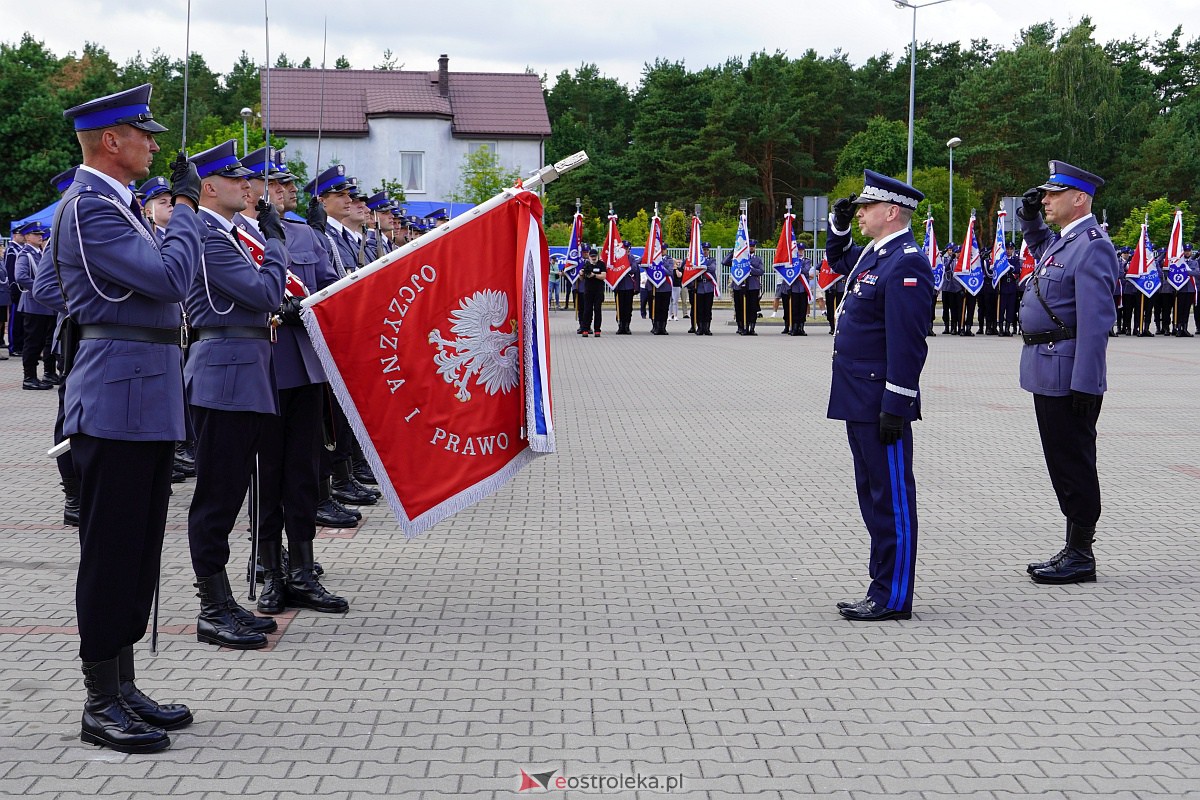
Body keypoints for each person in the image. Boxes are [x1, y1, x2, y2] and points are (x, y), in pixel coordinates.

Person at [33, 84, 206, 754]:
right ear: (112, 141)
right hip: (116, 398)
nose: (155, 147)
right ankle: (99, 702)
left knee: (136, 549)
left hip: (143, 394)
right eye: (145, 135)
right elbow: (170, 281)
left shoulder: (117, 206)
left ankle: (123, 684)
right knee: (111, 553)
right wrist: (186, 209)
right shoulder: (89, 207)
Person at [238, 146, 352, 615]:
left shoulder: (306, 234)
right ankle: (270, 569)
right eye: (275, 183)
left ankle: (303, 570)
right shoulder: (232, 234)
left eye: (288, 183)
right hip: (261, 369)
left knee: (303, 473)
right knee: (265, 477)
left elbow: (330, 291)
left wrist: (303, 308)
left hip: (303, 368)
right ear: (250, 188)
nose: (285, 190)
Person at [825, 170, 935, 621]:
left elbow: (908, 343)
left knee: (892, 501)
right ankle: (880, 586)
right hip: (858, 397)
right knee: (873, 497)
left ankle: (893, 597)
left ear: (891, 212)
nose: (860, 213)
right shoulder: (877, 254)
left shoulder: (906, 262)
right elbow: (838, 258)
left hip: (880, 402)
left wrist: (897, 403)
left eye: (866, 207)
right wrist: (838, 225)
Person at [1014, 160, 1119, 585]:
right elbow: (1040, 246)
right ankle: (1072, 548)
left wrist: (1086, 384)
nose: (1046, 200)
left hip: (1069, 375)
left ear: (1079, 199)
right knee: (1061, 462)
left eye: (1053, 195)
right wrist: (1028, 217)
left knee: (1073, 463)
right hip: (1048, 369)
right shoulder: (1066, 241)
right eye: (1044, 195)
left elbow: (1096, 322)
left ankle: (1081, 554)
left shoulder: (1092, 245)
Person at [13, 222, 58, 389]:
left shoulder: (40, 253)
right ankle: (29, 377)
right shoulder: (26, 254)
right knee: (33, 342)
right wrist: (41, 289)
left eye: (40, 234)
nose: (41, 236)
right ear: (27, 237)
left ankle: (49, 373)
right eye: (36, 234)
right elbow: (20, 276)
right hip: (34, 305)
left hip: (47, 305)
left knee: (49, 341)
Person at [725, 240, 765, 335]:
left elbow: (761, 271)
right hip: (739, 286)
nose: (751, 248)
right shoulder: (738, 258)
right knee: (740, 307)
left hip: (753, 286)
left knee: (752, 308)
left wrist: (749, 269)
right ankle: (742, 327)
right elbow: (725, 262)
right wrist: (734, 251)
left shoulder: (758, 259)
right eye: (750, 246)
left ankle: (751, 328)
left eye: (753, 246)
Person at [613, 239, 640, 334]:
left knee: (628, 308)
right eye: (624, 248)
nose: (626, 249)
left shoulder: (631, 258)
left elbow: (634, 269)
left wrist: (624, 267)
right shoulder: (616, 258)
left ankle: (627, 326)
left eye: (627, 248)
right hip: (619, 286)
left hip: (629, 286)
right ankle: (620, 326)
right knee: (619, 307)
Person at [578, 247, 606, 336]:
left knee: (597, 310)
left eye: (595, 256)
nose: (593, 258)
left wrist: (594, 275)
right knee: (587, 310)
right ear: (589, 257)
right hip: (588, 291)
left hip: (598, 291)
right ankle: (585, 329)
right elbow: (581, 278)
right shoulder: (586, 264)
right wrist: (581, 274)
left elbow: (603, 276)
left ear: (597, 256)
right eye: (592, 256)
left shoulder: (601, 264)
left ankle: (597, 330)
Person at [692, 242, 718, 336]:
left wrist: (702, 267)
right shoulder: (697, 261)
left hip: (709, 286)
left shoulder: (712, 260)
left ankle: (707, 328)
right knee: (699, 309)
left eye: (707, 250)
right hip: (699, 286)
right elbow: (694, 271)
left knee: (707, 309)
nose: (705, 251)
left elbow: (712, 268)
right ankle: (700, 328)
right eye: (704, 250)